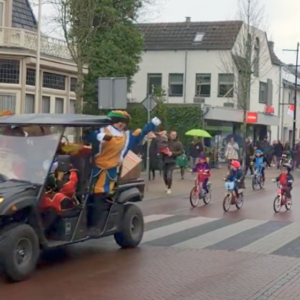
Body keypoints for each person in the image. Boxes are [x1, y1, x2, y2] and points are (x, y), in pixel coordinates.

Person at [84, 110, 161, 234]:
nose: (121, 124)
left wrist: (151, 125)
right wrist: (99, 137)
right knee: (87, 195)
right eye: (118, 121)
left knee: (100, 196)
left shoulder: (126, 136)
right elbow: (87, 136)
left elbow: (140, 134)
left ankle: (96, 226)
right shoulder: (103, 131)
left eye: (123, 122)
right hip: (95, 169)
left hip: (111, 171)